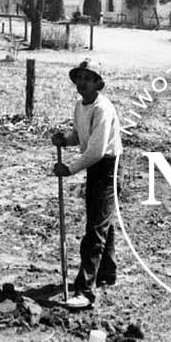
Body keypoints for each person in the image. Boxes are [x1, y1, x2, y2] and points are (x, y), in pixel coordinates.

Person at [52, 59, 122, 309]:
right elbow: (82, 137)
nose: (82, 83)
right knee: (102, 221)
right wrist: (65, 140)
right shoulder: (80, 106)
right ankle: (107, 272)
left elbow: (96, 150)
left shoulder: (103, 108)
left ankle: (85, 291)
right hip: (94, 166)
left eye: (87, 79)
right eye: (79, 78)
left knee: (95, 228)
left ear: (97, 83)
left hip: (108, 168)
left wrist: (69, 169)